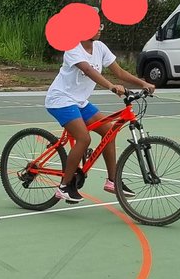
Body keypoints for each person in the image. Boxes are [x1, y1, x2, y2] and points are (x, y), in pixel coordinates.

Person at [44, 33, 155, 204]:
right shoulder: (73, 47)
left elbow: (119, 71)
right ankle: (64, 187)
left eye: (100, 26)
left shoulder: (100, 47)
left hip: (80, 102)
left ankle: (112, 180)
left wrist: (143, 83)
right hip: (61, 100)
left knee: (109, 130)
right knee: (84, 138)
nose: (99, 29)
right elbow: (88, 70)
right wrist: (111, 86)